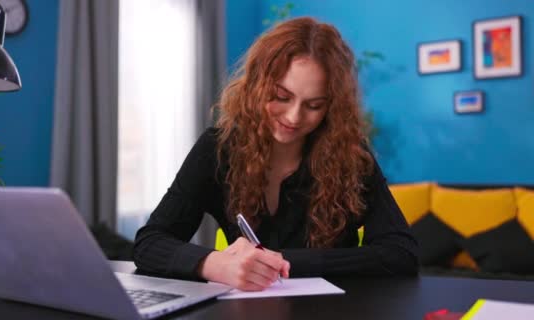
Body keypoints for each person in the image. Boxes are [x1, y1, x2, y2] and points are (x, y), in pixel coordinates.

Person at [134, 17, 418, 291]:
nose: (294, 117)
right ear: (257, 86)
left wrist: (284, 261)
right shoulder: (217, 150)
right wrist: (212, 264)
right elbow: (150, 243)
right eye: (281, 97)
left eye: (314, 105)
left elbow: (400, 253)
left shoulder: (352, 157)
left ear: (331, 107)